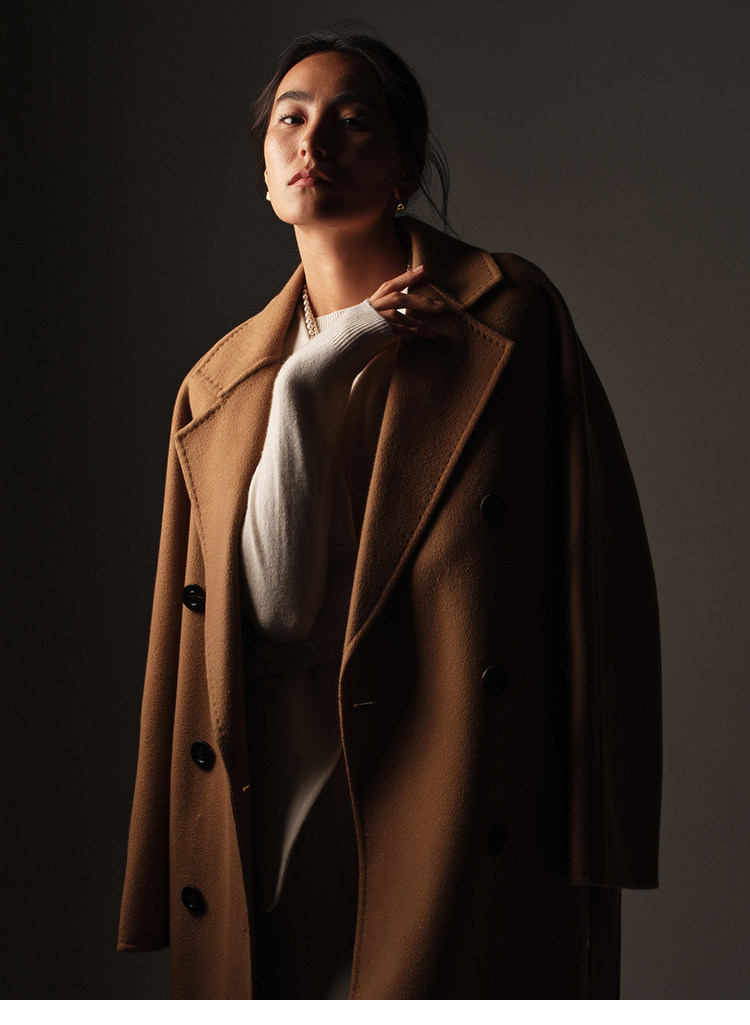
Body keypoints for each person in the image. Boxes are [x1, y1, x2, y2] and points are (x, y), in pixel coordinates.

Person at [117, 31, 662, 1000]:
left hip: (454, 777)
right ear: (266, 173)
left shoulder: (508, 314)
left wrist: (600, 827)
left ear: (405, 165)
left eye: (352, 119)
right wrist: (314, 377)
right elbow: (277, 615)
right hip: (282, 775)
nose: (313, 140)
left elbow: (597, 573)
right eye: (291, 119)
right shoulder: (220, 383)